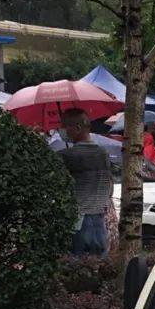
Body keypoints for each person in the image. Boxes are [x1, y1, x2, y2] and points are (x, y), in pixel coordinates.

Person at [58, 108, 114, 255]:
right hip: (100, 218)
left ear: (77, 128)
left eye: (65, 126)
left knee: (76, 265)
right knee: (99, 266)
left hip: (78, 220)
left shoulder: (65, 156)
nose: (62, 131)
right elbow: (110, 185)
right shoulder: (103, 153)